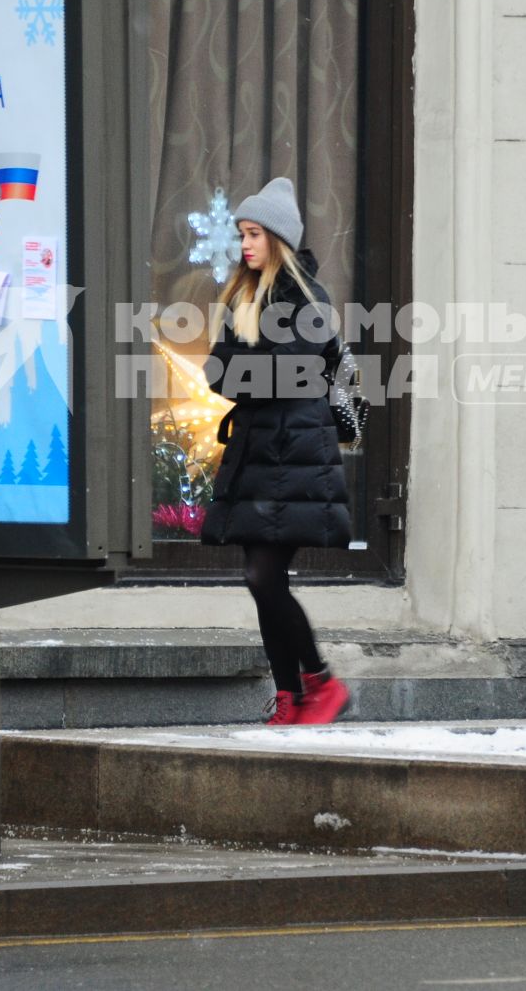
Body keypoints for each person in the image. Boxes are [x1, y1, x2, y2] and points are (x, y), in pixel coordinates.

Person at [200, 176, 353, 726]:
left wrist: (250, 373)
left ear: (279, 240)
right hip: (258, 453)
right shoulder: (243, 296)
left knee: (263, 578)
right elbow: (217, 371)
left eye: (255, 234)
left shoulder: (308, 297)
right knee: (263, 582)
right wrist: (252, 373)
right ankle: (290, 696)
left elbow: (292, 373)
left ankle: (320, 682)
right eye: (242, 233)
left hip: (295, 456)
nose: (245, 244)